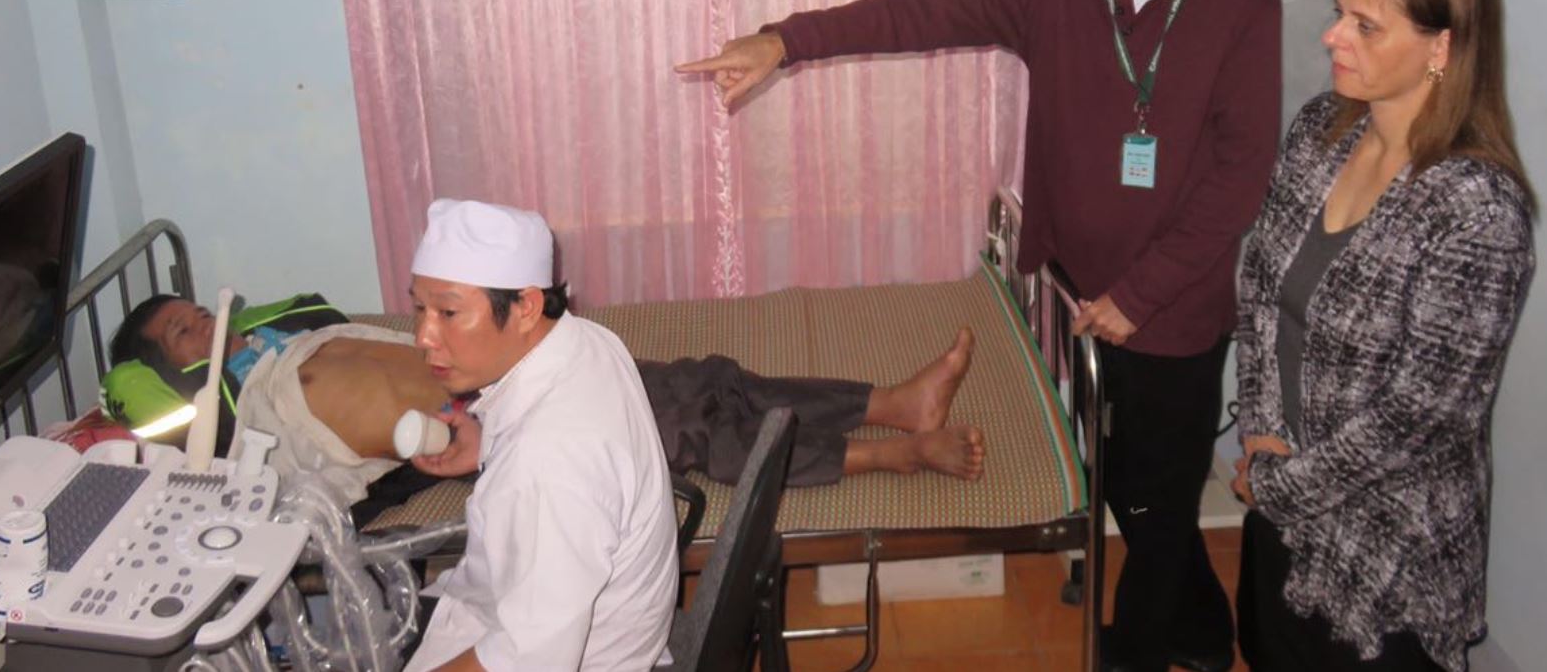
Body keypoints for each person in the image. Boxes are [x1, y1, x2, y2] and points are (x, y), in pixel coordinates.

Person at [677, 0, 1279, 672]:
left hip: (1173, 310)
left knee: (1151, 506)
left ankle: (1143, 650)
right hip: (1072, 289)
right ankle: (1198, 629)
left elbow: (1240, 176)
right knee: (1142, 493)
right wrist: (786, 40)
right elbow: (927, 9)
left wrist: (1139, 297)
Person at [1232, 0, 1535, 672]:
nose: (1332, 35)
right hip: (1280, 495)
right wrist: (1263, 430)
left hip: (1389, 546)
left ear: (1443, 46)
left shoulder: (1476, 210)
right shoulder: (1319, 132)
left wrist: (1279, 484)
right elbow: (1259, 295)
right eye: (1340, 12)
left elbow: (1423, 418)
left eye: (1365, 25)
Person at [105, 289, 986, 491]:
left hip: (519, 375)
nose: (209, 323)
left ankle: (891, 400)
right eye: (185, 330)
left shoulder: (304, 337)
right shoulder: (258, 411)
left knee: (707, 378)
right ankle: (898, 452)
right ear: (169, 369)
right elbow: (432, 446)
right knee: (696, 433)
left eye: (198, 308)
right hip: (499, 419)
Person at [401, 198, 675, 671]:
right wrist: (487, 442)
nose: (424, 336)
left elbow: (528, 660)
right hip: (559, 619)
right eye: (420, 308)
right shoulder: (585, 340)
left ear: (526, 306)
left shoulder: (548, 463)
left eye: (448, 313)